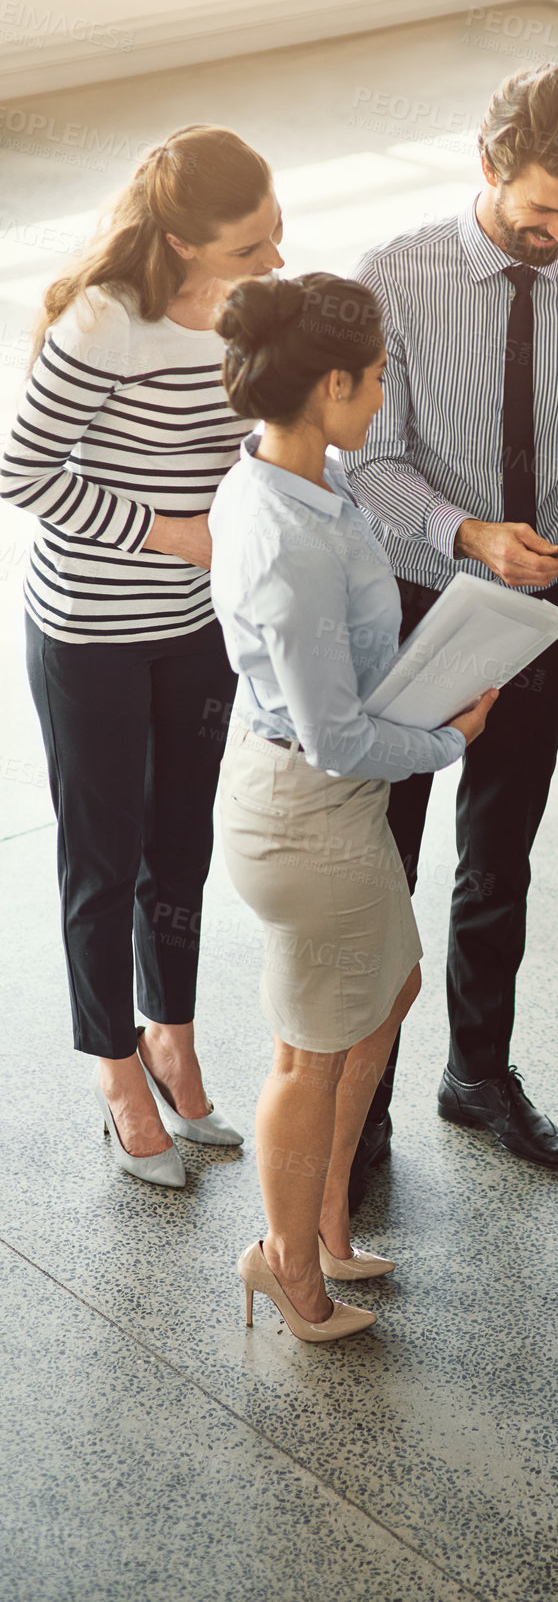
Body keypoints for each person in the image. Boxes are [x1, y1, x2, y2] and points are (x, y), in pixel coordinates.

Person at [345, 63, 558, 1186]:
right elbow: (367, 464)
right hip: (412, 601)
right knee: (386, 863)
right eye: (541, 210)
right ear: (485, 168)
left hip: (536, 602)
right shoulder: (395, 276)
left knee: (499, 855)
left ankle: (478, 1071)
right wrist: (468, 532)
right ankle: (358, 1103)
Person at [210, 272, 496, 1342]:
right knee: (308, 1051)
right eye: (374, 381)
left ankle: (323, 1222)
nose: (382, 399)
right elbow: (333, 738)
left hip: (326, 805)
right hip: (310, 811)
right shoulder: (290, 540)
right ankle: (285, 1265)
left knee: (390, 987)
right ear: (330, 384)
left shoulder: (292, 475)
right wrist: (449, 740)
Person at [0, 125, 283, 1188]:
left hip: (196, 622)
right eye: (249, 247)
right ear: (181, 239)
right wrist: (173, 531)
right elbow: (18, 472)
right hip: (92, 629)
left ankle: (171, 1031)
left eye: (276, 236)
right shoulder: (105, 322)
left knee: (180, 845)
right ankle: (116, 1071)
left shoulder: (245, 309)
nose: (272, 263)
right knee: (102, 858)